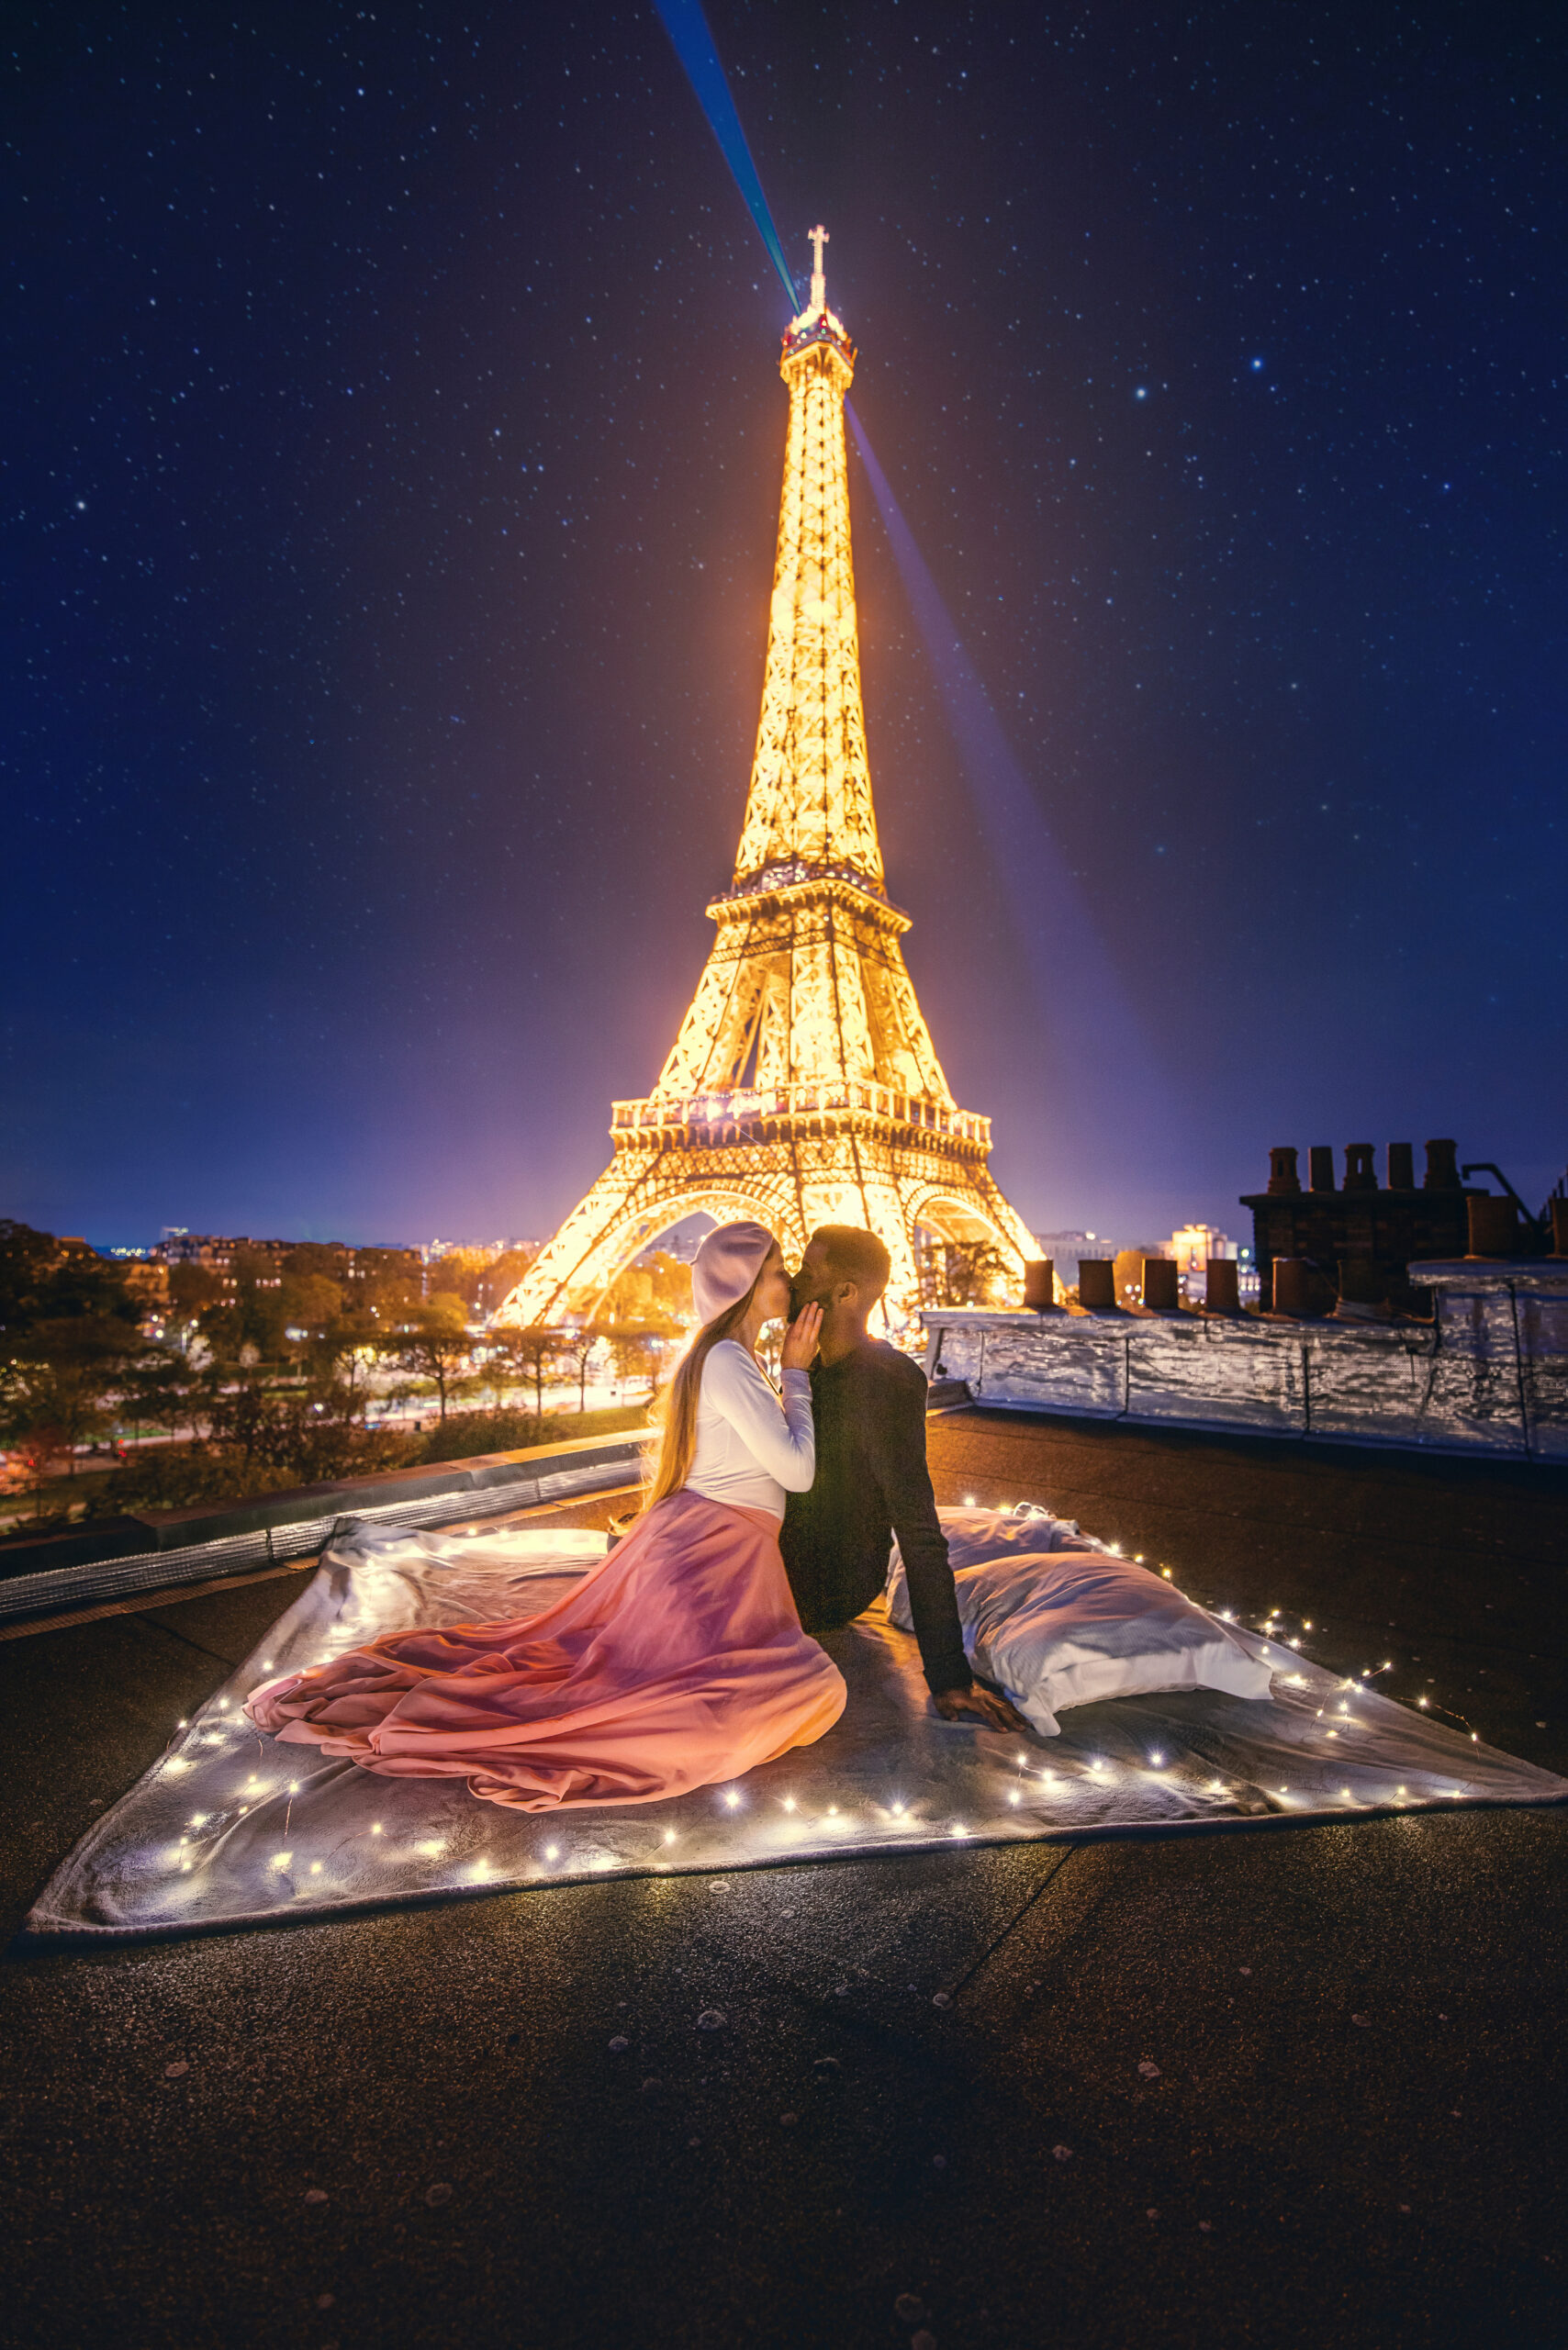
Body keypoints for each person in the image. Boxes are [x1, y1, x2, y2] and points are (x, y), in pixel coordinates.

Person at [244, 1223, 846, 1810]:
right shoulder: (729, 1362)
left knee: (756, 1690)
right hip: (711, 1556)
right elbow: (796, 1473)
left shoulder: (722, 1356)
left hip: (710, 1552)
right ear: (741, 1283)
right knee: (761, 1699)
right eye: (776, 1271)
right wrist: (797, 1373)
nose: (789, 1281)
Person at [779, 1225, 1028, 1732]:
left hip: (823, 1584)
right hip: (788, 1561)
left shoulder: (884, 1381)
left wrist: (948, 1678)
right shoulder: (812, 1368)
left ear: (846, 1292)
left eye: (806, 1272)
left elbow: (917, 1528)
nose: (792, 1282)